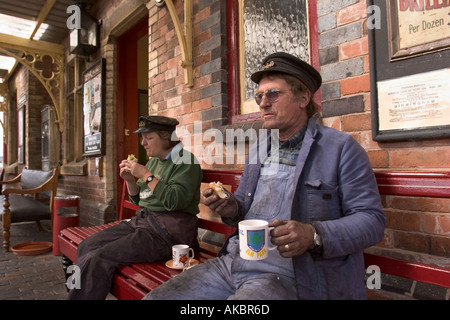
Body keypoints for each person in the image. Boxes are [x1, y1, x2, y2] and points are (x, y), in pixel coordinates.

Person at [143, 52, 386, 300]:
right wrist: (228, 206)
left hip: (289, 275)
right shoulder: (261, 146)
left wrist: (313, 234)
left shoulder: (340, 147)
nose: (262, 103)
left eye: (273, 94)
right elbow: (244, 209)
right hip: (235, 262)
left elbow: (372, 221)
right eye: (259, 95)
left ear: (303, 97)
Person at [66, 115, 202, 300]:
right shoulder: (155, 160)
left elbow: (175, 201)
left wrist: (145, 174)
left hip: (167, 233)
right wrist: (130, 180)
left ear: (165, 137)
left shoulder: (186, 161)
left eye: (148, 137)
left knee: (100, 257)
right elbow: (139, 198)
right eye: (142, 137)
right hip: (143, 222)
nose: (143, 142)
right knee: (86, 245)